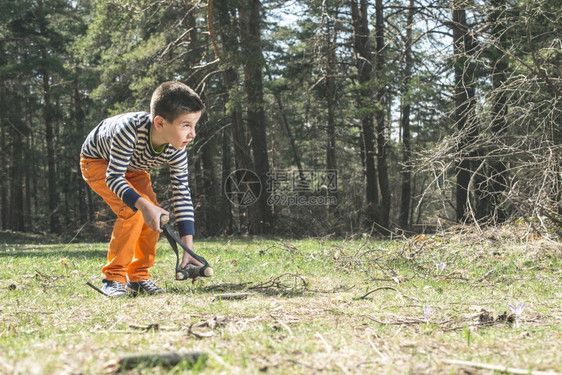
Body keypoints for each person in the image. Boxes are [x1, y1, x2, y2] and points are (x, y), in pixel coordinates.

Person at [80, 81, 204, 297]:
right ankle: (113, 278)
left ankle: (138, 277)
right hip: (99, 162)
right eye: (186, 125)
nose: (192, 133)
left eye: (194, 125)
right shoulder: (128, 130)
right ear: (160, 123)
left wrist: (188, 249)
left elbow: (182, 194)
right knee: (134, 211)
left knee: (155, 215)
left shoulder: (177, 149)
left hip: (133, 169)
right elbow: (114, 177)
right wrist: (144, 205)